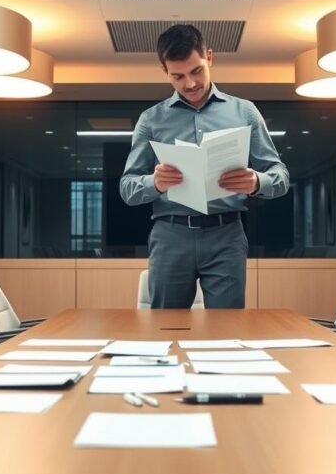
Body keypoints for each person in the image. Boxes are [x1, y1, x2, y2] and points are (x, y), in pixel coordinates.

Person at [120, 25, 289, 309]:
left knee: (227, 330)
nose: (189, 84)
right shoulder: (150, 120)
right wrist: (155, 182)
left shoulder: (244, 111)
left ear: (209, 57)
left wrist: (257, 181)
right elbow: (127, 188)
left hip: (227, 234)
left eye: (196, 71)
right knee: (164, 328)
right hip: (170, 235)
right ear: (165, 71)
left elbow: (280, 176)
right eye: (178, 76)